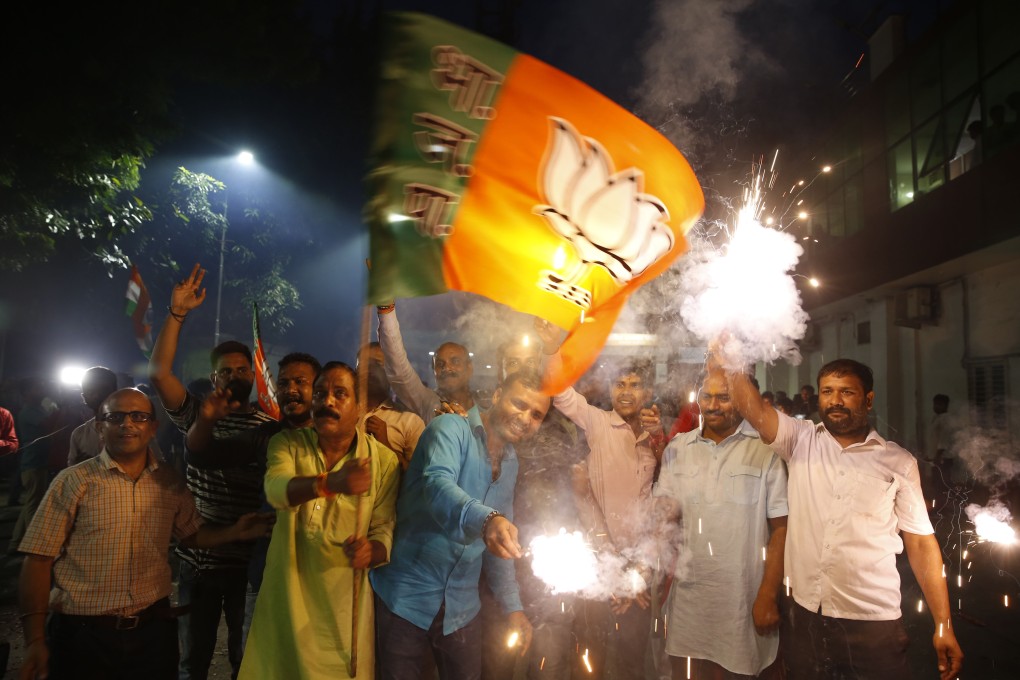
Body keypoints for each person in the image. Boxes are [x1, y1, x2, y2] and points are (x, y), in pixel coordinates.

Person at [713, 352, 963, 680]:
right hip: (805, 617)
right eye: (828, 392)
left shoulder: (898, 462)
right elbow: (753, 408)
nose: (835, 401)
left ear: (868, 399)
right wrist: (727, 356)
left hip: (874, 623)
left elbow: (919, 544)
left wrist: (943, 624)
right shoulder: (800, 440)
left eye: (847, 392)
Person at [16, 388, 272, 680]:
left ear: (153, 428)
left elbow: (191, 535)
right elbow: (37, 560)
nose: (127, 424)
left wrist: (233, 532)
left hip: (153, 633)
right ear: (100, 428)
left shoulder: (168, 480)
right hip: (82, 634)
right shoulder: (74, 481)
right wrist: (35, 640)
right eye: (115, 417)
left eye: (139, 417)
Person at [371, 370, 551, 680]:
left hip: (462, 610)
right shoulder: (450, 428)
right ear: (496, 396)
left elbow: (500, 544)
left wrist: (514, 608)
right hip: (406, 598)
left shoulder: (510, 463)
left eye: (536, 414)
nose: (526, 418)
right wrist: (487, 520)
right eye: (519, 404)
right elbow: (437, 485)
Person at [148, 263, 274, 680]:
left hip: (248, 561)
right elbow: (159, 373)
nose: (235, 377)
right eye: (226, 371)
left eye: (243, 371)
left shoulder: (269, 426)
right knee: (193, 659)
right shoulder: (194, 415)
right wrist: (177, 313)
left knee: (246, 657)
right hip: (198, 559)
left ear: (254, 376)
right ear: (214, 375)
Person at [239, 361, 401, 679]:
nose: (327, 402)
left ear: (360, 408)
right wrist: (329, 483)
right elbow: (276, 491)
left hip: (342, 614)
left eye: (340, 394)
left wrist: (372, 552)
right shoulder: (287, 444)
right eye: (320, 393)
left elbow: (384, 528)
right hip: (285, 602)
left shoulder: (383, 461)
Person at [540, 325, 664, 680]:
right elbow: (561, 394)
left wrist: (636, 577)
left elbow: (662, 508)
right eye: (619, 384)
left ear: (648, 391)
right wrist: (551, 349)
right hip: (597, 562)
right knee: (590, 659)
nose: (626, 392)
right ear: (610, 389)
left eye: (634, 385)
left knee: (631, 663)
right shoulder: (596, 422)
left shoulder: (657, 437)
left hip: (639, 569)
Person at [654, 369, 788, 679]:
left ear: (742, 400)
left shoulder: (765, 450)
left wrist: (768, 595)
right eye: (707, 396)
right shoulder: (678, 448)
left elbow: (781, 528)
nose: (713, 405)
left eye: (724, 397)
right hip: (689, 601)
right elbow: (664, 511)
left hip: (742, 601)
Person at [184, 352, 322, 647]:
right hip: (270, 566)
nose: (290, 390)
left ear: (319, 388)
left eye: (301, 381)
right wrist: (206, 421)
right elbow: (202, 456)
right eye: (283, 383)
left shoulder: (339, 435)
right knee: (257, 658)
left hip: (324, 572)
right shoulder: (266, 436)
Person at [481, 334, 590, 680]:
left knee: (550, 662)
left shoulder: (560, 422)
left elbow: (576, 490)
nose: (527, 418)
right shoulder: (482, 424)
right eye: (512, 363)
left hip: (550, 562)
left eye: (528, 361)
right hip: (498, 562)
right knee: (497, 664)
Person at [376, 301, 477, 423]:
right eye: (440, 364)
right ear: (434, 371)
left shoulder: (486, 404)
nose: (447, 368)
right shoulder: (428, 402)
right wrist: (386, 310)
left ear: (469, 368)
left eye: (455, 361)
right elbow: (399, 369)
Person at [357, 342, 426, 470]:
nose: (370, 370)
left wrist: (386, 446)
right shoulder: (341, 414)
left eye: (377, 364)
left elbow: (417, 480)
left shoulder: (410, 421)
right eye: (364, 364)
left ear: (392, 372)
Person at [8, 378, 51, 555]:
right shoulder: (28, 411)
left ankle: (15, 543)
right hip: (33, 464)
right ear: (26, 394)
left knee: (30, 503)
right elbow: (47, 425)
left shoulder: (39, 409)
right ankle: (34, 546)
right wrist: (64, 410)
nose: (41, 389)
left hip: (38, 462)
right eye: (36, 388)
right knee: (34, 506)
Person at [67, 366, 118, 466]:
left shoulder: (134, 427)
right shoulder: (79, 434)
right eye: (90, 390)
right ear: (84, 397)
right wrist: (79, 467)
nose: (97, 395)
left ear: (115, 391)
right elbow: (71, 468)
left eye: (103, 389)